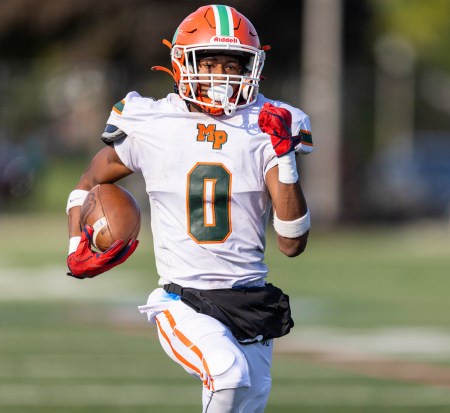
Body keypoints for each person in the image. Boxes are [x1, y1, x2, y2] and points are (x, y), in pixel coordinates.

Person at [65, 4, 313, 412]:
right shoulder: (153, 121)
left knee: (242, 397)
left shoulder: (267, 124)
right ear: (183, 64)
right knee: (227, 373)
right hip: (184, 300)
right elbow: (91, 180)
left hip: (250, 299)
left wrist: (284, 157)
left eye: (232, 64)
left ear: (252, 67)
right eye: (210, 62)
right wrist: (77, 240)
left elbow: (291, 243)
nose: (220, 75)